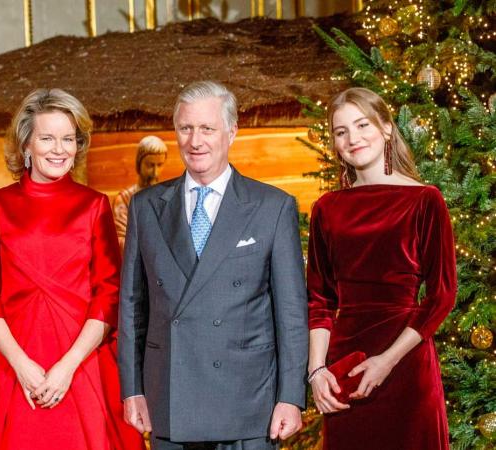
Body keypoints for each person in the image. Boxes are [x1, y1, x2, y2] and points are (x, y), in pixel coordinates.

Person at [118, 80, 308, 450]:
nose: (195, 141)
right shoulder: (146, 207)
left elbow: (291, 314)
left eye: (207, 128)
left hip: (248, 401)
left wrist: (291, 396)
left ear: (231, 132)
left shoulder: (273, 206)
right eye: (186, 128)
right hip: (170, 397)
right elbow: (131, 308)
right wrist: (133, 389)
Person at [0, 88, 144, 450]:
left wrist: (66, 368)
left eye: (68, 139)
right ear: (26, 144)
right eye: (47, 138)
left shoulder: (95, 206)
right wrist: (22, 366)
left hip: (81, 365)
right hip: (12, 366)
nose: (59, 149)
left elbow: (108, 294)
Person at [306, 87, 456, 450]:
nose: (353, 138)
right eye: (341, 131)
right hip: (347, 365)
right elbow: (319, 300)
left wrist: (387, 361)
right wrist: (316, 371)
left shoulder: (424, 200)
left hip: (405, 361)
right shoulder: (326, 209)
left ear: (386, 128)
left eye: (362, 125)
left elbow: (441, 297)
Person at [112, 135, 168, 252]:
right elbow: (120, 241)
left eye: (159, 165)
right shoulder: (125, 199)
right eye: (150, 165)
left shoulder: (168, 197)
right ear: (139, 164)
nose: (155, 173)